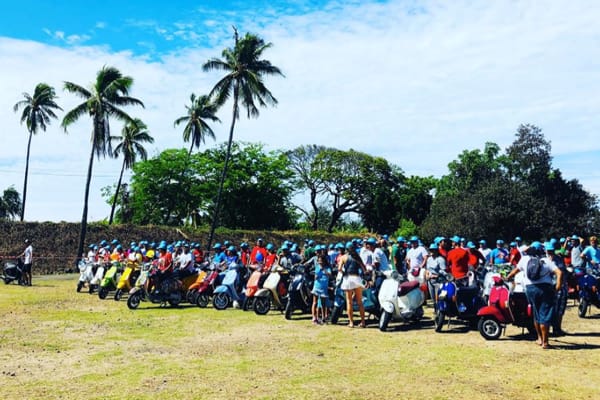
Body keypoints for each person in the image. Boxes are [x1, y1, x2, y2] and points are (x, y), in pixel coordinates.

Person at [506, 241, 562, 349]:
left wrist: (507, 277)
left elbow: (515, 271)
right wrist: (558, 286)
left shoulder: (524, 259)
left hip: (530, 289)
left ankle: (539, 338)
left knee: (536, 314)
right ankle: (545, 342)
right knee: (544, 314)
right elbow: (559, 272)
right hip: (545, 289)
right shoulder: (546, 260)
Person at [338, 242, 367, 328]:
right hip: (357, 278)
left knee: (349, 301)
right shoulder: (357, 257)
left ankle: (351, 323)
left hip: (348, 279)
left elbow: (339, 269)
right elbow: (364, 268)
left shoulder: (343, 257)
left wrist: (344, 273)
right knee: (360, 302)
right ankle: (363, 322)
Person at [311, 254, 332, 324]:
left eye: (321, 261)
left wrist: (324, 271)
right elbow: (315, 277)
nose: (320, 262)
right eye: (319, 261)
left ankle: (323, 318)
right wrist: (317, 274)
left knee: (323, 304)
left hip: (324, 287)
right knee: (315, 302)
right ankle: (314, 318)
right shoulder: (317, 267)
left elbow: (330, 275)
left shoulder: (327, 268)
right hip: (317, 286)